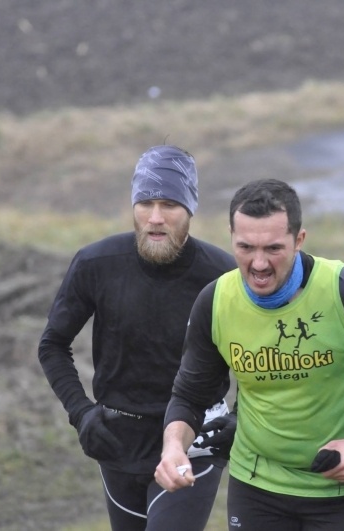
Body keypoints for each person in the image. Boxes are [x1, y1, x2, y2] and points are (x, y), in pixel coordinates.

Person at [154, 178, 344, 531]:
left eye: (273, 248)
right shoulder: (216, 302)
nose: (258, 264)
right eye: (245, 247)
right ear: (231, 236)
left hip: (337, 487)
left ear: (299, 240)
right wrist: (173, 447)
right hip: (256, 484)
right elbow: (190, 394)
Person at [38, 145, 237, 531]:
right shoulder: (96, 264)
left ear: (190, 210)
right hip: (119, 441)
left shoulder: (222, 275)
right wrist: (81, 413)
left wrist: (239, 418)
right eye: (146, 203)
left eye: (170, 205)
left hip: (195, 439)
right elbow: (52, 344)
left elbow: (258, 351)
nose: (156, 218)